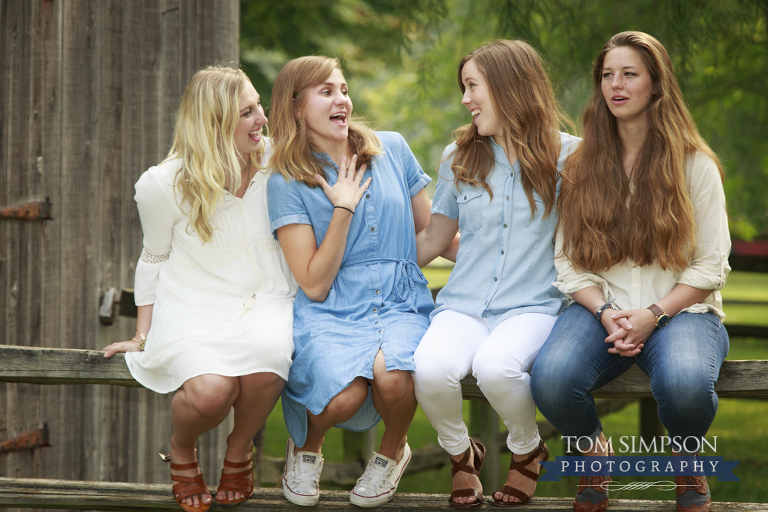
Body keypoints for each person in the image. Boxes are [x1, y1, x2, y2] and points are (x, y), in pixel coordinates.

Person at [530, 31, 730, 512]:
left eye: (629, 74)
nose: (615, 85)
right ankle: (593, 455)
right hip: (602, 309)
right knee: (551, 378)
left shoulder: (694, 164)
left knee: (685, 384)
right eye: (607, 75)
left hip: (684, 311)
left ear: (656, 86)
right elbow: (568, 260)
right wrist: (605, 312)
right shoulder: (580, 165)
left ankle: (686, 463)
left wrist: (654, 314)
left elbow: (711, 265)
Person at [103, 65, 297, 512]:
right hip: (195, 303)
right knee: (212, 391)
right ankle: (183, 447)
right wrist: (141, 335)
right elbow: (153, 258)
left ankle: (238, 449)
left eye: (259, 107)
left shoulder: (278, 161)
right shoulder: (163, 184)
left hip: (267, 296)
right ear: (214, 122)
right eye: (247, 112)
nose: (263, 120)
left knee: (270, 360)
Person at [266, 55, 443, 508]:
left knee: (394, 378)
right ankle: (306, 448)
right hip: (332, 305)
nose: (341, 98)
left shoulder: (392, 149)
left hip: (401, 299)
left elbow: (431, 235)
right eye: (326, 91)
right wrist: (342, 208)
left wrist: (506, 262)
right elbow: (313, 284)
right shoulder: (287, 180)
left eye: (343, 89)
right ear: (297, 107)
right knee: (343, 397)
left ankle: (391, 452)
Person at [413, 39, 579, 508]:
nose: (465, 99)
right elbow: (433, 239)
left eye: (473, 86)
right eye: (463, 87)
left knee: (495, 368)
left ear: (509, 87)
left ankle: (527, 452)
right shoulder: (457, 157)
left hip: (534, 305)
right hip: (464, 303)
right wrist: (369, 267)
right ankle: (462, 455)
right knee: (429, 370)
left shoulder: (573, 157)